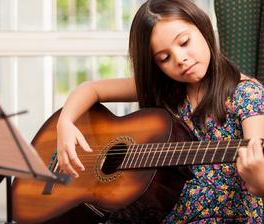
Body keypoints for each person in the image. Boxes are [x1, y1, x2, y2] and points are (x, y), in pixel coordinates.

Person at [56, 0, 264, 223]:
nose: (180, 59)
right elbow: (91, 89)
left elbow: (257, 159)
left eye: (184, 42)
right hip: (159, 213)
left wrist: (260, 180)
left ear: (202, 28)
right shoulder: (164, 88)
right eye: (164, 58)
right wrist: (65, 123)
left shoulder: (247, 94)